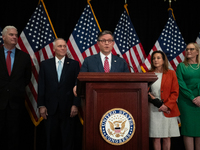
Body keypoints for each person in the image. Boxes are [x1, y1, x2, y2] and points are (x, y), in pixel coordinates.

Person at [37, 38, 80, 150]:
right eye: (60, 46)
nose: (62, 48)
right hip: (50, 109)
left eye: (64, 46)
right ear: (54, 48)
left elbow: (78, 86)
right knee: (50, 140)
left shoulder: (74, 64)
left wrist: (75, 104)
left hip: (68, 109)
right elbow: (41, 86)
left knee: (68, 140)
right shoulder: (45, 64)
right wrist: (41, 105)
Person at [0, 26, 32, 150]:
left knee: (14, 136)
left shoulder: (24, 57)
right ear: (3, 37)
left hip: (16, 103)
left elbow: (26, 78)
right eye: (11, 35)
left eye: (16, 35)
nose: (14, 37)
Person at [148, 51, 180, 150]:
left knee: (167, 137)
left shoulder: (171, 73)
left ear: (163, 60)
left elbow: (175, 92)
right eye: (154, 58)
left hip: (168, 109)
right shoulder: (148, 74)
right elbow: (145, 91)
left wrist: (167, 106)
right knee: (156, 138)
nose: (156, 60)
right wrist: (158, 104)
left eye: (158, 58)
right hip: (154, 110)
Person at [176, 43, 200, 150]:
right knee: (188, 129)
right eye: (187, 49)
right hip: (186, 102)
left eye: (191, 49)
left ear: (197, 52)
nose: (188, 51)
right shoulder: (181, 66)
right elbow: (180, 84)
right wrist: (192, 97)